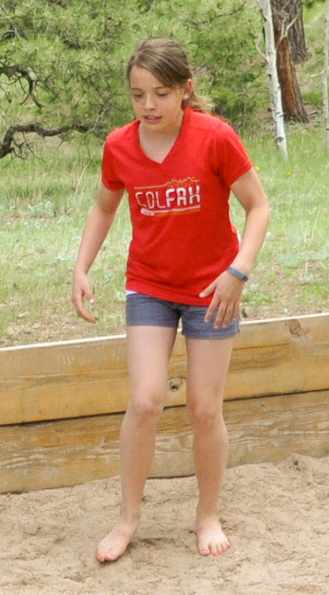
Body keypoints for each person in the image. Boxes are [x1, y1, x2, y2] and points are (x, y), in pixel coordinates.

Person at [71, 39, 273, 566]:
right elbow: (104, 208)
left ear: (186, 90)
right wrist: (81, 267)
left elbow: (258, 207)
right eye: (138, 95)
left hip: (213, 289)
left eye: (161, 93)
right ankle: (127, 518)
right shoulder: (119, 146)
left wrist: (238, 273)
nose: (149, 105)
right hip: (150, 286)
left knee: (204, 408)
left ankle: (208, 515)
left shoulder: (215, 137)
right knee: (145, 400)